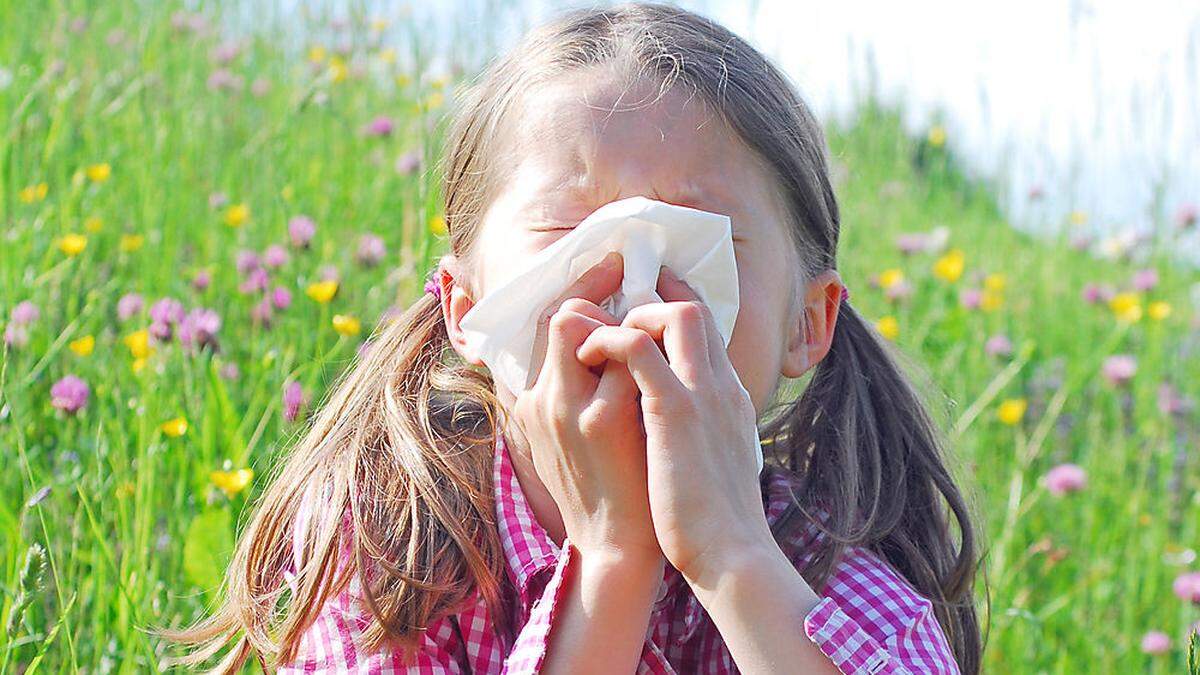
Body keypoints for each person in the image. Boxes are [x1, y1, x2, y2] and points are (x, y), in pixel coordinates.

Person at [164, 3, 983, 673]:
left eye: (695, 240)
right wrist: (611, 558)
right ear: (465, 306)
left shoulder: (824, 564)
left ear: (809, 324)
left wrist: (733, 553)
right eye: (569, 234)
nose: (634, 294)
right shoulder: (389, 551)